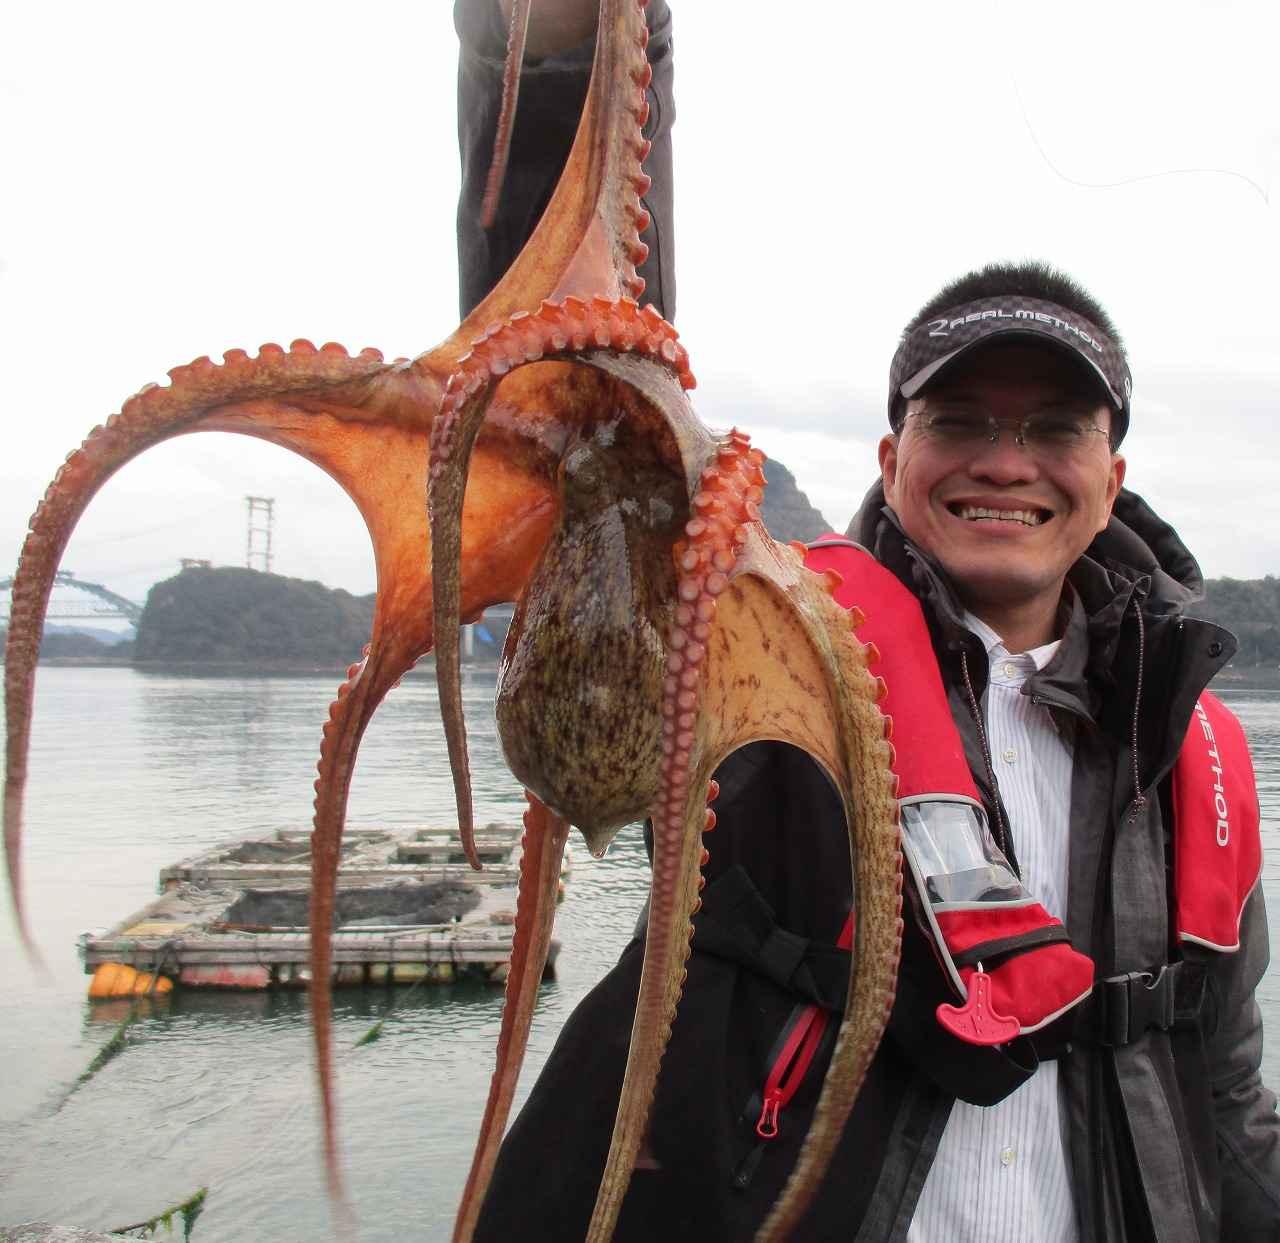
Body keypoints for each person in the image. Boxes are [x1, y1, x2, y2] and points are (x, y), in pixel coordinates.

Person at [453, 3, 1280, 1239]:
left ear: (1108, 478)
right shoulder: (758, 660)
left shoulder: (1194, 756)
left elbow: (1219, 1087)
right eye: (959, 423)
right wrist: (571, 50)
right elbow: (580, 394)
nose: (1005, 462)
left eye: (1052, 428)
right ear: (893, 459)